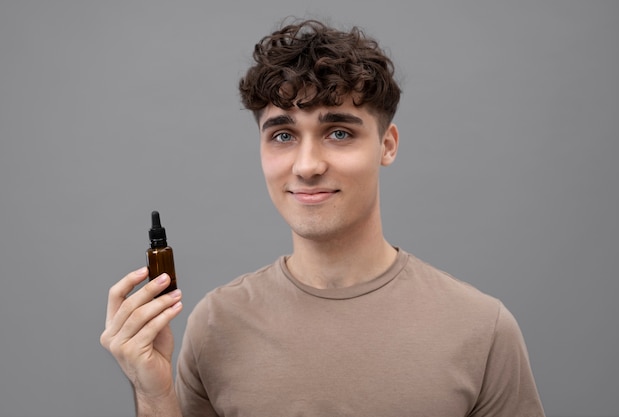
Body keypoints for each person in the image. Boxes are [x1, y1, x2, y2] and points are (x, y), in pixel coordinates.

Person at [100, 19, 545, 417]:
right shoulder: (215, 324)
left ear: (387, 145)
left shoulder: (482, 329)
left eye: (338, 132)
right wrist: (155, 395)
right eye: (283, 135)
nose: (307, 164)